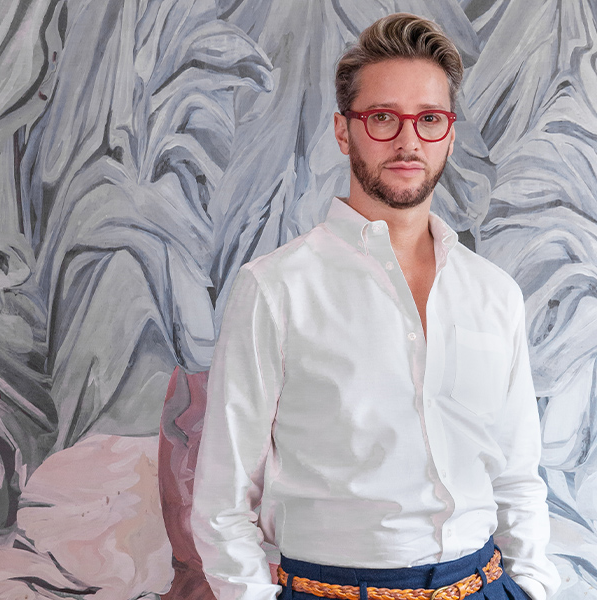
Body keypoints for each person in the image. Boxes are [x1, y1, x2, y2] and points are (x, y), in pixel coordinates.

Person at [190, 12, 561, 600]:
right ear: (344, 132)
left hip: (488, 584)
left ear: (450, 133)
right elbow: (223, 501)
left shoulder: (494, 294)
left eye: (429, 119)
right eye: (383, 117)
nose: (409, 140)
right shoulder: (276, 289)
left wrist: (534, 586)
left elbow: (518, 477)